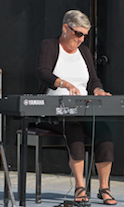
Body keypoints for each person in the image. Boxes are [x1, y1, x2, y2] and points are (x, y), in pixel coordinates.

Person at [37, 10, 117, 205]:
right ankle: (80, 187)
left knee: (104, 133)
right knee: (74, 130)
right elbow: (43, 73)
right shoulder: (49, 46)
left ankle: (104, 188)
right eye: (78, 34)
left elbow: (93, 81)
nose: (81, 39)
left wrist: (98, 90)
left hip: (83, 109)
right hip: (56, 111)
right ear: (66, 28)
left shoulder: (84, 52)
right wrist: (65, 84)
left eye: (84, 35)